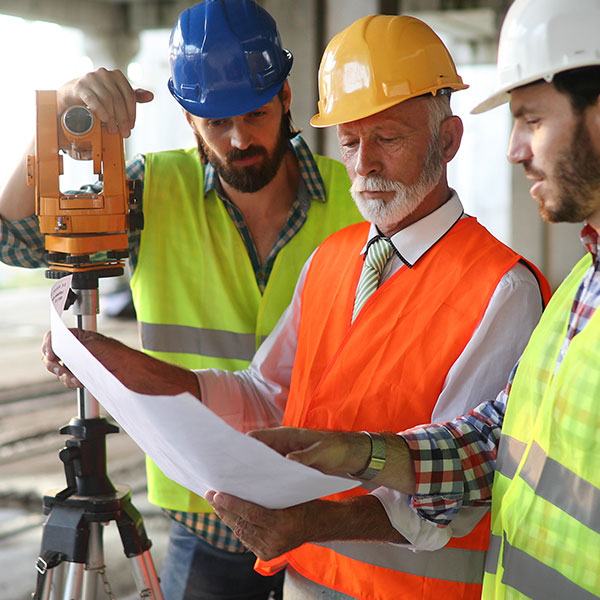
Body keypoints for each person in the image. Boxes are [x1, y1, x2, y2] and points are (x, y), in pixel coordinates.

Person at [41, 14, 551, 600]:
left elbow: (462, 486)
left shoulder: (501, 287)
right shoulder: (332, 259)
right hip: (305, 582)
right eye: (352, 142)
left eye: (389, 138)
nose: (365, 166)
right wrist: (113, 361)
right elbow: (266, 396)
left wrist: (313, 522)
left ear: (450, 140)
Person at [0, 1, 365, 599]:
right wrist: (61, 108)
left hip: (325, 516)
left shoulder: (356, 206)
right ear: (189, 118)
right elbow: (11, 238)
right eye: (216, 122)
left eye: (255, 113)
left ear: (287, 98)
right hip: (204, 522)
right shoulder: (148, 191)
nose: (240, 138)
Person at [248, 1, 600, 598]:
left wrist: (324, 511)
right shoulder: (581, 286)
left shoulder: (508, 286)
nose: (514, 149)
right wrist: (355, 453)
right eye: (350, 139)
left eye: (531, 119)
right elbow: (490, 440)